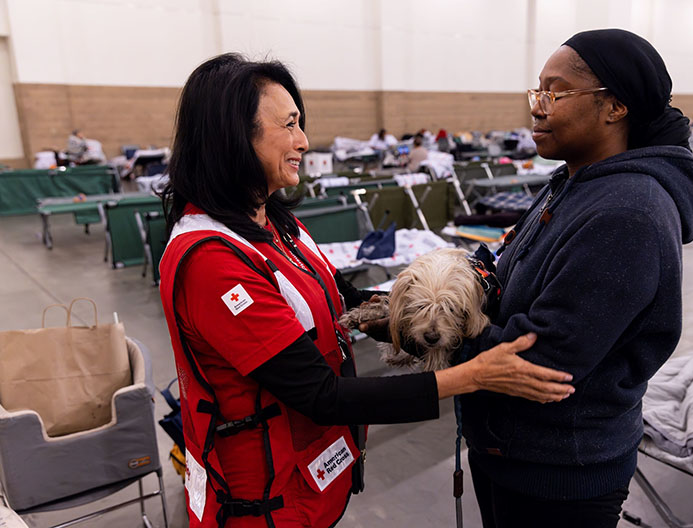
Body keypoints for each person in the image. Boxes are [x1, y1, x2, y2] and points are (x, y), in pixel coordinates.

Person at [158, 53, 575, 528]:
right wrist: (473, 374)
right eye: (290, 125)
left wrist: (425, 316)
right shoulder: (211, 262)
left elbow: (345, 302)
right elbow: (322, 395)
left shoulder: (276, 222)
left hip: (311, 481)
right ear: (232, 137)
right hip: (260, 503)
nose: (304, 141)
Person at [459, 29, 693, 527]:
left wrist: (436, 328)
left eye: (555, 91)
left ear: (614, 107)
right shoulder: (573, 183)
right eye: (537, 91)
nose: (538, 106)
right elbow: (511, 274)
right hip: (509, 449)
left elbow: (543, 360)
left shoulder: (627, 212)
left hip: (556, 473)